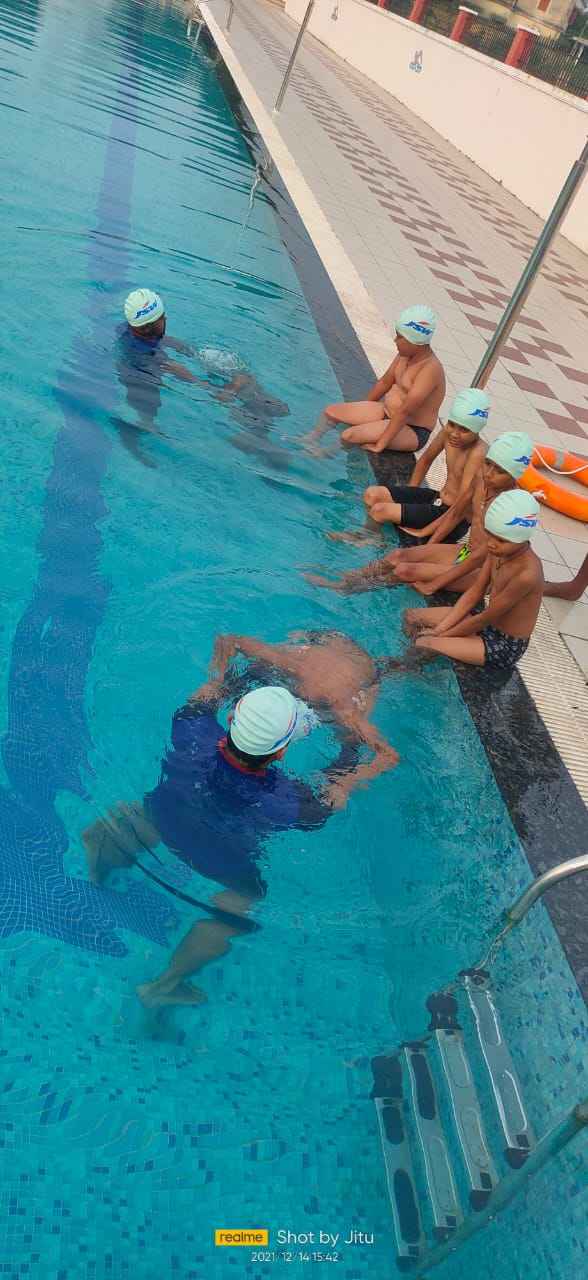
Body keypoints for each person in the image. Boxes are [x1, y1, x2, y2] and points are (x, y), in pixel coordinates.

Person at [82, 631, 398, 1007]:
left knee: (140, 812)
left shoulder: (191, 728)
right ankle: (164, 985)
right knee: (244, 901)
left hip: (166, 815)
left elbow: (212, 688)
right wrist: (356, 740)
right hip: (220, 858)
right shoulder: (285, 800)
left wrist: (243, 674)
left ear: (233, 717)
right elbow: (338, 791)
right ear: (281, 754)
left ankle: (98, 863)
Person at [306, 431, 533, 598]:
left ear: (515, 475)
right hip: (465, 552)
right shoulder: (481, 480)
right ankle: (347, 578)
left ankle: (347, 589)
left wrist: (435, 583)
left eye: (500, 471)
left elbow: (483, 556)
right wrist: (426, 545)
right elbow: (455, 514)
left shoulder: (512, 507)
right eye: (488, 464)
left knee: (406, 570)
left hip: (485, 570)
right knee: (398, 556)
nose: (489, 473)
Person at [115, 288, 289, 466]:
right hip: (144, 380)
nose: (166, 318)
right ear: (155, 324)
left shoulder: (130, 331)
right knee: (238, 386)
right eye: (162, 317)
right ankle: (255, 435)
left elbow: (159, 339)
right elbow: (205, 390)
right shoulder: (151, 360)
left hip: (145, 358)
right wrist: (203, 382)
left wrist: (191, 353)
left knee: (236, 376)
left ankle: (257, 427)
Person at [403, 490, 543, 670]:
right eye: (489, 534)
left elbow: (484, 618)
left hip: (504, 643)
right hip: (484, 622)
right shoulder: (497, 552)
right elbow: (475, 592)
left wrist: (441, 635)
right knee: (411, 616)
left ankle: (398, 670)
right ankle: (406, 659)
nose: (491, 543)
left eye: (501, 540)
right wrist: (440, 629)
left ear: (522, 538)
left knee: (425, 644)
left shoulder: (526, 575)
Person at [303, 305, 445, 455]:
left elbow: (405, 411)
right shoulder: (405, 355)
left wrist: (380, 444)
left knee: (349, 435)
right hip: (386, 412)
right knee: (330, 412)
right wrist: (364, 407)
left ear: (414, 341)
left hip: (411, 428)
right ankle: (309, 439)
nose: (395, 340)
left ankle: (322, 455)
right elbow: (384, 383)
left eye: (400, 337)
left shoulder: (430, 370)